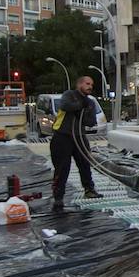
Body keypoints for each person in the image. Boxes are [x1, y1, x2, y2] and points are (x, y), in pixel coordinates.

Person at [50, 75, 99, 209]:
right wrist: (79, 106)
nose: (90, 87)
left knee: (85, 164)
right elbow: (65, 106)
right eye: (87, 84)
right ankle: (58, 197)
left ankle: (89, 190)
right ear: (79, 85)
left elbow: (91, 122)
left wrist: (85, 112)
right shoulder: (69, 95)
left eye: (91, 85)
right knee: (62, 168)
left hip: (79, 136)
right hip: (63, 136)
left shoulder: (90, 102)